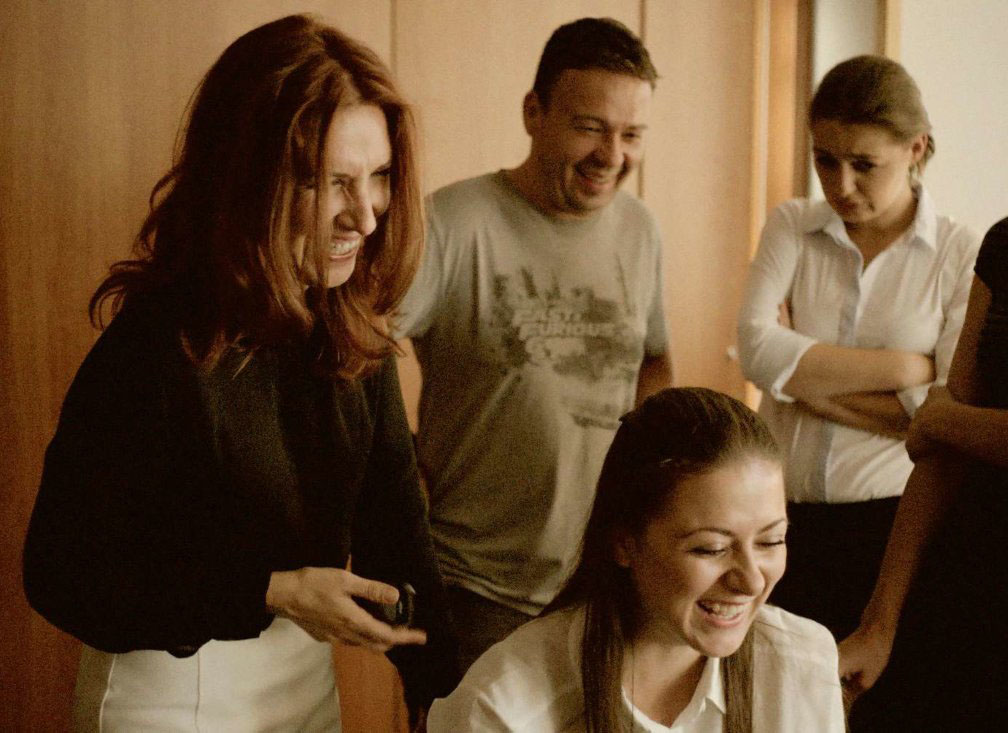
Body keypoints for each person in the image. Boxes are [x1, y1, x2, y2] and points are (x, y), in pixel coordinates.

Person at [22, 14, 458, 730]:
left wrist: (447, 695)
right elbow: (61, 573)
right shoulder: (155, 348)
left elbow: (396, 531)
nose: (366, 217)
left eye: (379, 177)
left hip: (304, 685)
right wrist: (266, 590)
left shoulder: (349, 330)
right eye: (331, 182)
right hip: (169, 693)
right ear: (249, 180)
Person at [396, 17, 673, 672]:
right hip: (475, 589)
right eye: (590, 127)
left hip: (607, 583)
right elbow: (353, 355)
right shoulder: (451, 223)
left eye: (632, 134)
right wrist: (398, 480)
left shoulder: (639, 229)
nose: (612, 155)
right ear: (533, 113)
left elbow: (654, 361)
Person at [426, 388, 845, 732]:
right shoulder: (505, 707)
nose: (751, 581)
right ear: (624, 543)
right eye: (711, 549)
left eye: (771, 541)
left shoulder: (801, 663)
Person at [737, 55, 980, 641]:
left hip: (892, 528)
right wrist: (905, 368)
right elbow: (755, 350)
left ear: (915, 149)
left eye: (864, 165)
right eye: (825, 160)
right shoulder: (792, 226)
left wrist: (802, 386)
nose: (840, 185)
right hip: (778, 521)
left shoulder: (959, 251)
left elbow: (943, 416)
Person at [839, 217, 1008, 729]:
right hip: (972, 573)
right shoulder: (1003, 243)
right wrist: (879, 623)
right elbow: (941, 454)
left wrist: (944, 420)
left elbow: (941, 420)